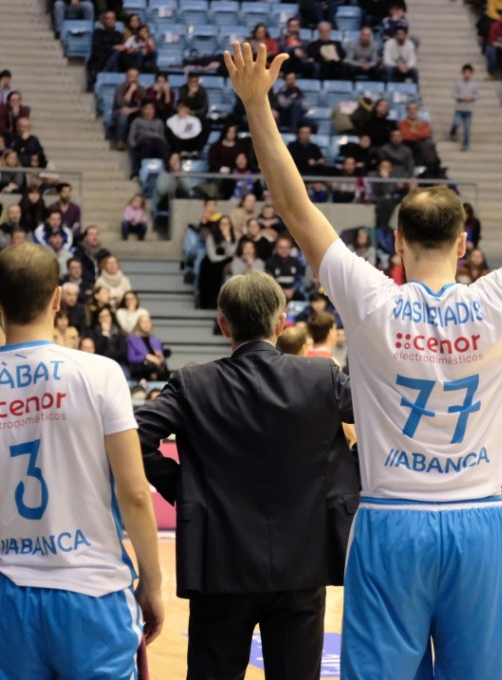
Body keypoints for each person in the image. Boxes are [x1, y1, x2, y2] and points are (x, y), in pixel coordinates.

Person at [224, 41, 502, 677]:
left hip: (391, 523)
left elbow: (296, 209)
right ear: (464, 243)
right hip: (477, 523)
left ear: (396, 240)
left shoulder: (370, 299)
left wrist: (256, 104)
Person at [0, 243, 164, 678]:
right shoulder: (100, 374)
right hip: (94, 594)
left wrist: (12, 558)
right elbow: (134, 493)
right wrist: (152, 585)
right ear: (58, 298)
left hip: (12, 599)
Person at [135, 271, 357, 679]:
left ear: (223, 325)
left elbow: (133, 437)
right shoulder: (321, 378)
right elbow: (385, 417)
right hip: (304, 564)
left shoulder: (192, 384)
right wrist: (352, 469)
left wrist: (182, 486)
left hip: (220, 565)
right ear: (281, 323)